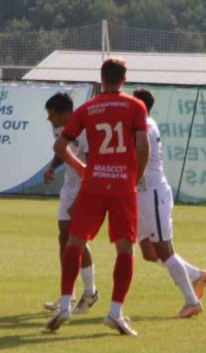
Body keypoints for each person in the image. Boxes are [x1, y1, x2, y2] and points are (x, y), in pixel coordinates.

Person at [45, 58, 150, 335]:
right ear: (124, 79)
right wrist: (136, 175)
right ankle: (115, 312)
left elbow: (60, 145)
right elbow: (142, 142)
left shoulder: (88, 108)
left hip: (93, 183)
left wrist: (81, 167)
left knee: (75, 241)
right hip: (121, 185)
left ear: (101, 78)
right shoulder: (135, 106)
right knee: (125, 247)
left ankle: (66, 303)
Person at [132, 88, 206, 318]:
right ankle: (196, 275)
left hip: (152, 192)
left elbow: (142, 156)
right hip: (142, 193)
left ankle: (191, 301)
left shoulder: (145, 126)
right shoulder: (142, 123)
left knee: (165, 250)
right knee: (148, 251)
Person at [41, 92, 99, 313]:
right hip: (69, 185)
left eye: (52, 115)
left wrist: (83, 195)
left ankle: (90, 292)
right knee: (63, 236)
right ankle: (69, 294)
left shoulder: (86, 130)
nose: (49, 119)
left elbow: (92, 164)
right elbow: (61, 148)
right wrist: (52, 168)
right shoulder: (59, 127)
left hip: (85, 185)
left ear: (66, 114)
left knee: (77, 237)